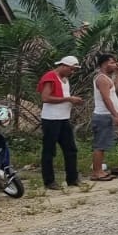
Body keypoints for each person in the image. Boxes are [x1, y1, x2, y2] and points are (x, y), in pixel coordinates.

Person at [36, 54, 85, 190]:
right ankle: (49, 181)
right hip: (51, 119)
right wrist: (68, 99)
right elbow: (45, 98)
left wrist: (71, 101)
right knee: (49, 150)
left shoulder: (65, 79)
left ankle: (72, 178)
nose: (72, 72)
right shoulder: (50, 77)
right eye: (71, 69)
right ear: (63, 66)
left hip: (63, 118)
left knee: (70, 149)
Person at [89, 53, 118, 182]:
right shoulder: (102, 79)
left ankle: (100, 171)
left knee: (102, 145)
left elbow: (115, 88)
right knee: (100, 145)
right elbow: (106, 98)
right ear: (104, 64)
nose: (115, 65)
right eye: (112, 62)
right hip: (103, 116)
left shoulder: (107, 79)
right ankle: (96, 172)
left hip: (106, 116)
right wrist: (116, 115)